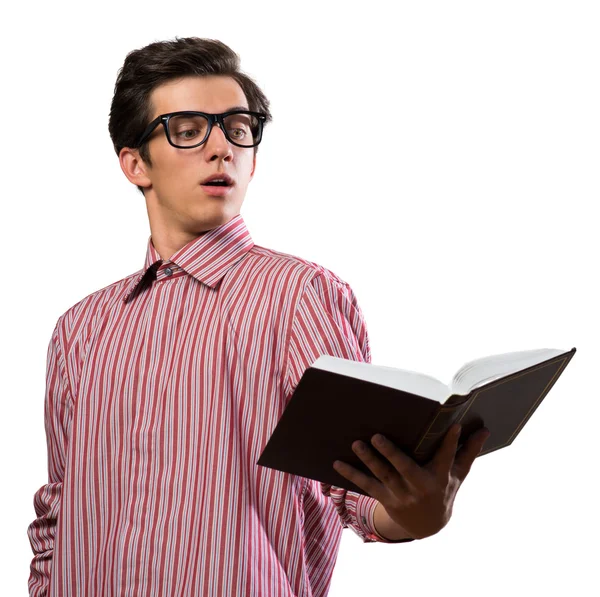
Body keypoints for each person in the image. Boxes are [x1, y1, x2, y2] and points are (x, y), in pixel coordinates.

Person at [26, 36, 490, 597]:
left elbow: (357, 492)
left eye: (238, 128)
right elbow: (57, 512)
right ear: (134, 163)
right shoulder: (81, 328)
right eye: (189, 129)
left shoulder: (301, 295)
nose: (222, 148)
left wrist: (417, 515)